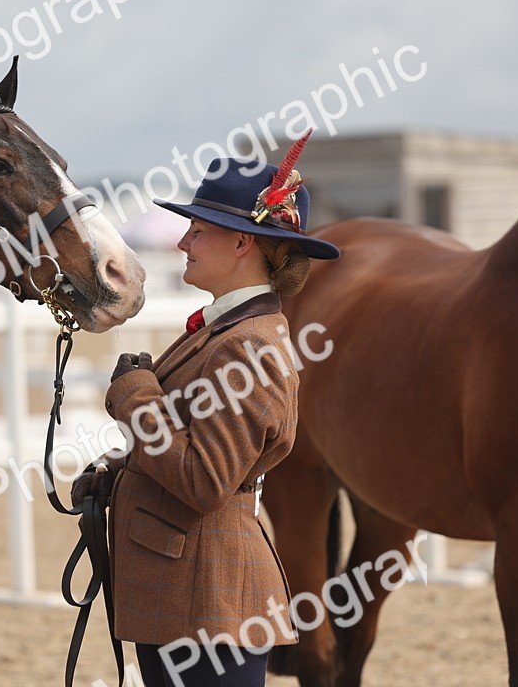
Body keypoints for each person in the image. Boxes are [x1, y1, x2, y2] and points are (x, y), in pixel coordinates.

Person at [72, 131, 340, 687]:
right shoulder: (228, 331)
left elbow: (203, 478)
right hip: (186, 596)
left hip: (208, 599)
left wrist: (136, 397)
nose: (182, 243)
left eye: (197, 230)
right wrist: (121, 473)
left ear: (242, 243)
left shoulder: (249, 347)